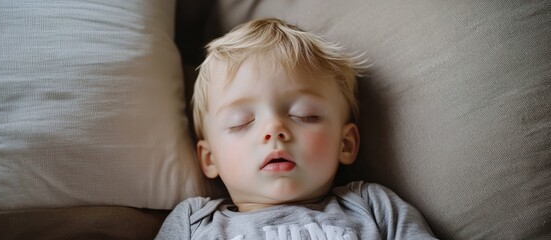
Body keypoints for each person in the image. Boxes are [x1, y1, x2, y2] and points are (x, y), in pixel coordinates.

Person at [156, 18, 437, 239]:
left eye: (305, 115)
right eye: (241, 121)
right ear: (209, 158)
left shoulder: (372, 206)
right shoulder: (193, 222)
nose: (274, 129)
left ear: (346, 143)